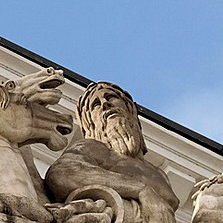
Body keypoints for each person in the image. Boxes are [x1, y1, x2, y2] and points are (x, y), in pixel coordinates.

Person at [45, 82, 180, 223]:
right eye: (96, 104)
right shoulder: (95, 148)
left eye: (110, 98)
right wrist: (141, 189)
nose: (105, 105)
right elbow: (62, 174)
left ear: (130, 109)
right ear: (90, 121)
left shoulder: (159, 173)